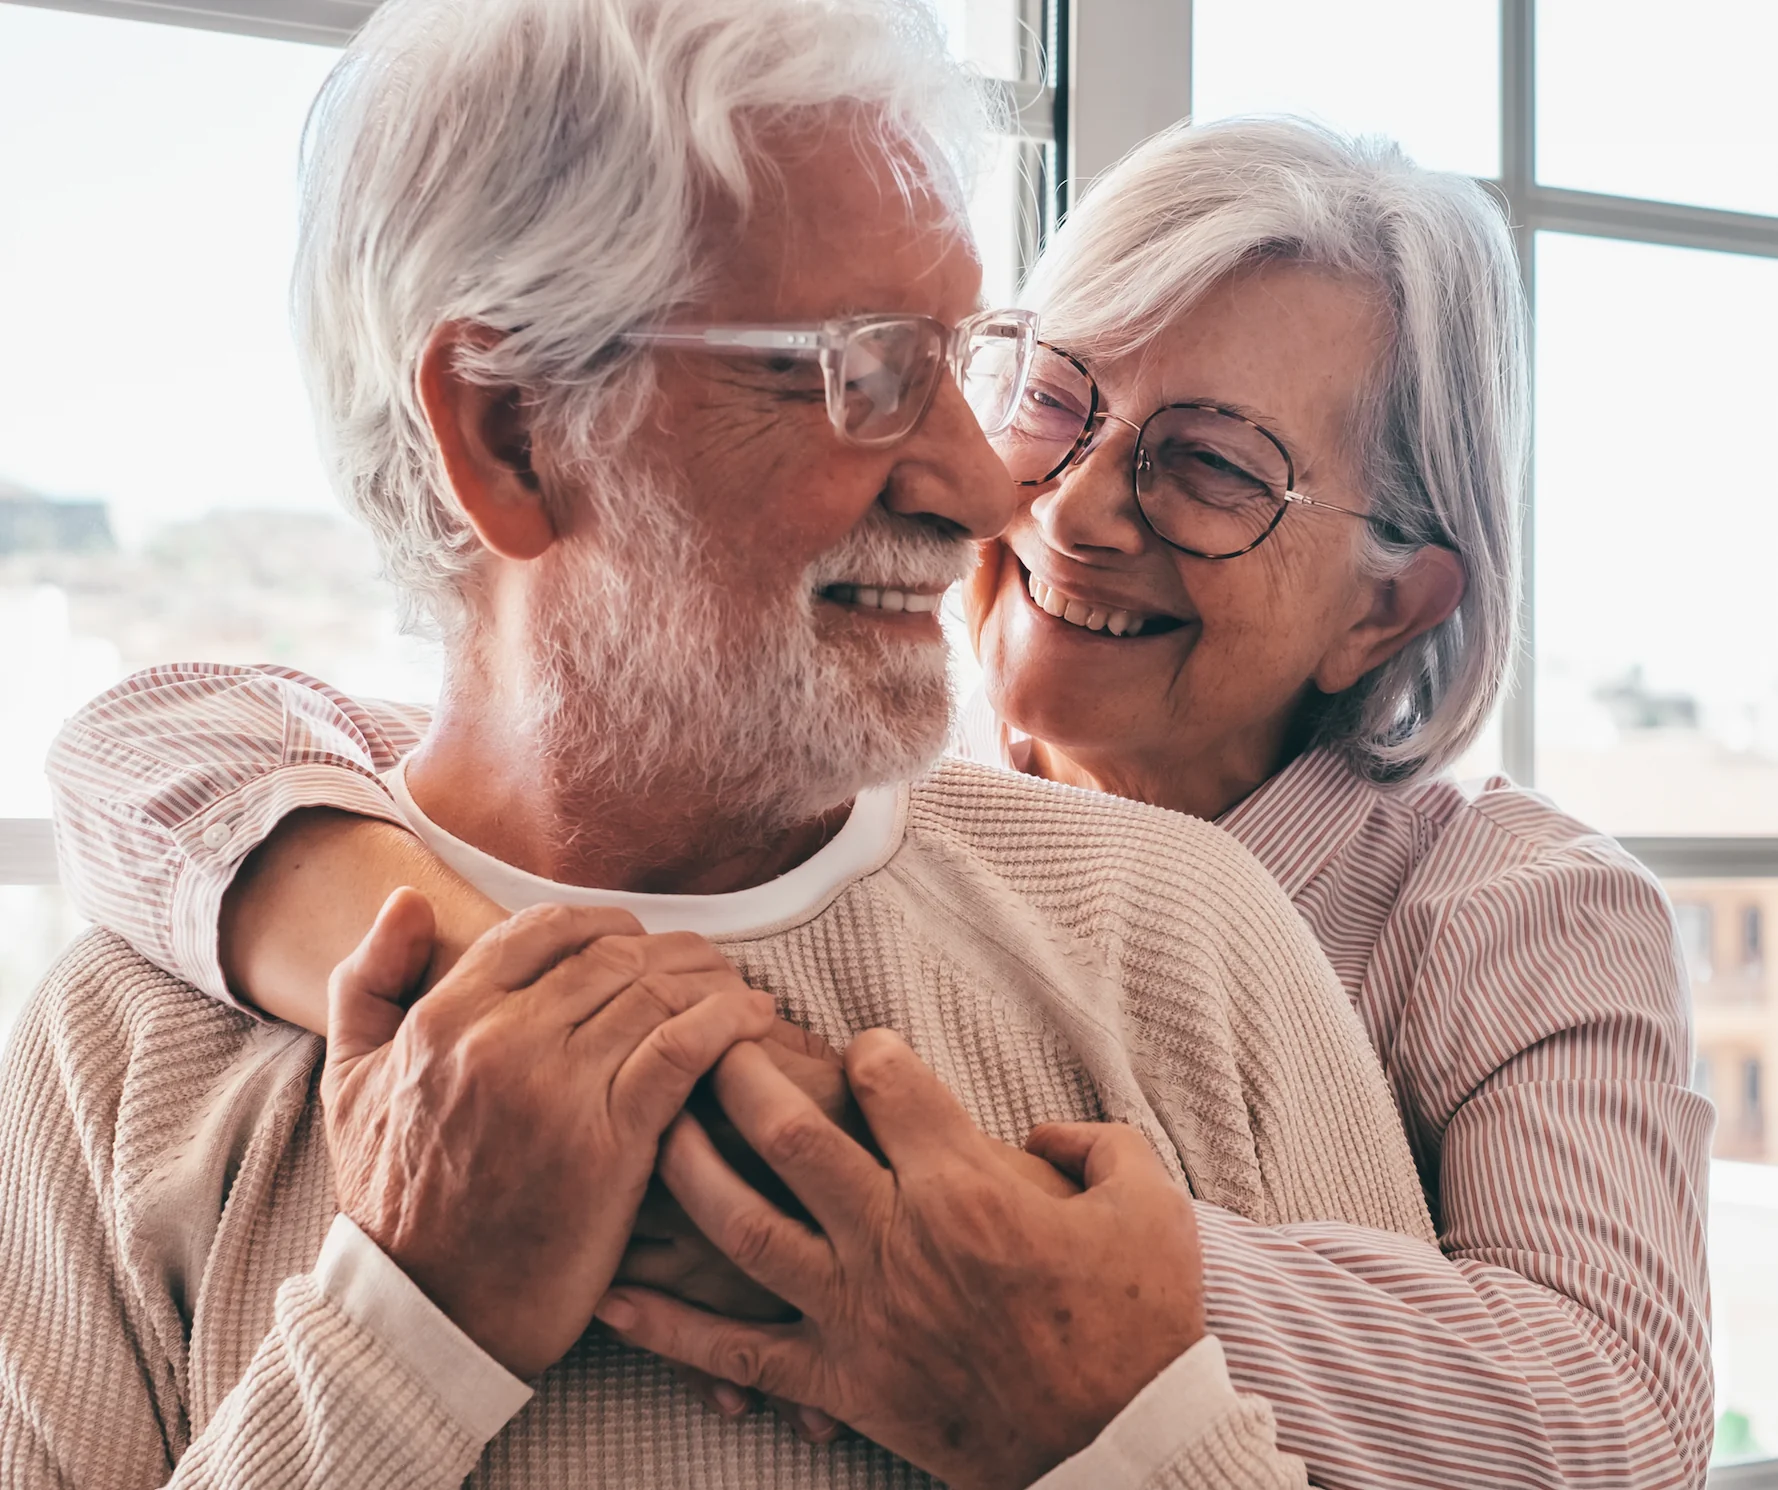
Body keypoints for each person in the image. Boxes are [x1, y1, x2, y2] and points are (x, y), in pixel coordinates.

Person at [45, 101, 1717, 1485]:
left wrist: (1014, 1258)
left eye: (1208, 466)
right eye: (1054, 399)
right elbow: (187, 737)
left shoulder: (1484, 910)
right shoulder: (830, 779)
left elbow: (1617, 1418)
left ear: (1389, 602)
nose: (1051, 509)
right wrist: (485, 986)